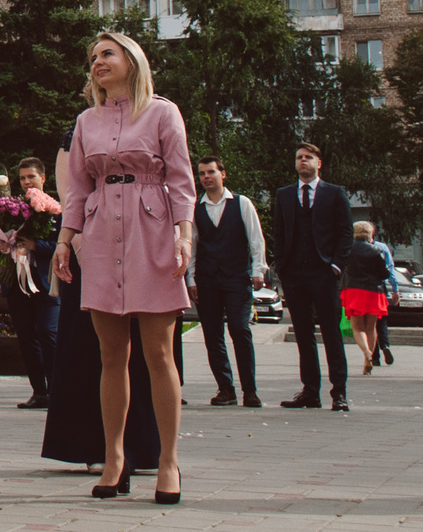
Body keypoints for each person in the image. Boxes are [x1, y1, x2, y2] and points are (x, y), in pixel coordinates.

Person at [54, 31, 196, 504]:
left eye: (107, 54)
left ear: (132, 61)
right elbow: (76, 188)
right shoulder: (85, 121)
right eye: (92, 56)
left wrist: (184, 232)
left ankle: (168, 461)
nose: (97, 62)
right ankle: (114, 458)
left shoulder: (162, 111)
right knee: (111, 355)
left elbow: (181, 178)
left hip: (151, 229)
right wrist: (65, 240)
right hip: (99, 233)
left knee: (159, 353)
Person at [272, 143, 353, 412]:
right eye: (299, 158)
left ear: (319, 163)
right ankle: (310, 391)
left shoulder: (334, 194)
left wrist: (336, 265)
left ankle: (338, 392)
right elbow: (279, 231)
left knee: (331, 333)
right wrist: (281, 265)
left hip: (324, 272)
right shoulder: (284, 195)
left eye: (308, 157)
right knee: (303, 334)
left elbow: (345, 233)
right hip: (294, 273)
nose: (303, 161)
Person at [190, 157, 265, 407]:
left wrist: (258, 270)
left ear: (223, 174)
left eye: (211, 172)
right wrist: (191, 279)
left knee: (240, 329)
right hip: (207, 278)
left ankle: (250, 390)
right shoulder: (195, 207)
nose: (206, 177)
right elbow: (192, 244)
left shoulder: (241, 203)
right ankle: (226, 388)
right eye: (202, 173)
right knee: (212, 335)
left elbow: (256, 239)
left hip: (236, 277)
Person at [0, 158, 64, 408]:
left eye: (31, 177)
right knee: (26, 336)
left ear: (43, 178)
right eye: (23, 178)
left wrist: (36, 245)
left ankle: (57, 388)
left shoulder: (56, 209)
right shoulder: (11, 209)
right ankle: (40, 391)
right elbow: (1, 240)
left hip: (46, 280)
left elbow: (62, 245)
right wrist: (2, 245)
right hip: (17, 281)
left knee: (48, 333)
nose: (26, 182)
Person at [341, 222, 393, 378]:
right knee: (371, 328)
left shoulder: (347, 249)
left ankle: (366, 353)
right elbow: (384, 274)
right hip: (374, 292)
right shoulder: (377, 250)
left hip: (354, 290)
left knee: (357, 328)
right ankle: (367, 360)